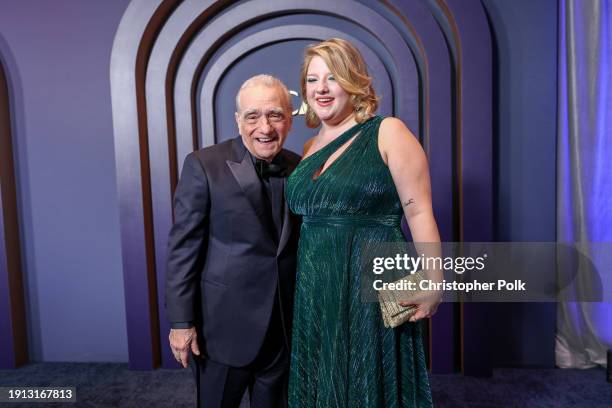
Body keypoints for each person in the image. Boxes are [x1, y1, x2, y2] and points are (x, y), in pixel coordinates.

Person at [285, 38, 442, 406]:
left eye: (332, 77)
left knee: (368, 376)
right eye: (312, 80)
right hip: (316, 287)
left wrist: (435, 281)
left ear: (353, 81)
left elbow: (419, 212)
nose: (320, 88)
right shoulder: (310, 147)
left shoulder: (388, 131)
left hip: (369, 279)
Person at [166, 74, 301, 408]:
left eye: (275, 115)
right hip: (222, 329)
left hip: (284, 329)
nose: (265, 128)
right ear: (238, 119)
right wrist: (181, 322)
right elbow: (184, 248)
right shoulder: (203, 164)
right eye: (253, 116)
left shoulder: (300, 167)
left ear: (290, 118)